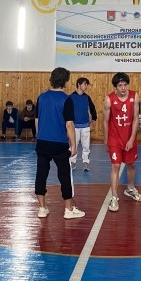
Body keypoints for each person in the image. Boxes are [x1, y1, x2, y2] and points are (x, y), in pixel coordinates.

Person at [34, 67, 85, 220]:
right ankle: (68, 210)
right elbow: (69, 124)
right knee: (64, 176)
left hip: (42, 142)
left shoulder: (41, 97)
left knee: (41, 175)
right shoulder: (66, 99)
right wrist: (74, 145)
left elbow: (37, 121)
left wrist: (39, 136)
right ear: (66, 81)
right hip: (59, 144)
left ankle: (42, 208)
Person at [103, 72, 141, 212]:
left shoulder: (134, 96)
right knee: (115, 166)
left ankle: (130, 188)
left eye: (125, 85)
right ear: (115, 86)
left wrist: (132, 138)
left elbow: (136, 118)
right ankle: (114, 197)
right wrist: (106, 141)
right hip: (114, 138)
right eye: (120, 85)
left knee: (131, 164)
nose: (123, 88)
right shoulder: (109, 99)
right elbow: (105, 121)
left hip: (129, 137)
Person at [69, 77, 98, 171]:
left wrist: (94, 118)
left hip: (85, 126)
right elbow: (66, 111)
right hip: (74, 126)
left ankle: (86, 162)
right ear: (79, 84)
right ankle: (72, 162)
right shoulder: (71, 97)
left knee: (86, 146)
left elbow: (92, 108)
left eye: (87, 84)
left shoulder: (87, 97)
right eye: (85, 84)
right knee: (73, 145)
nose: (86, 86)